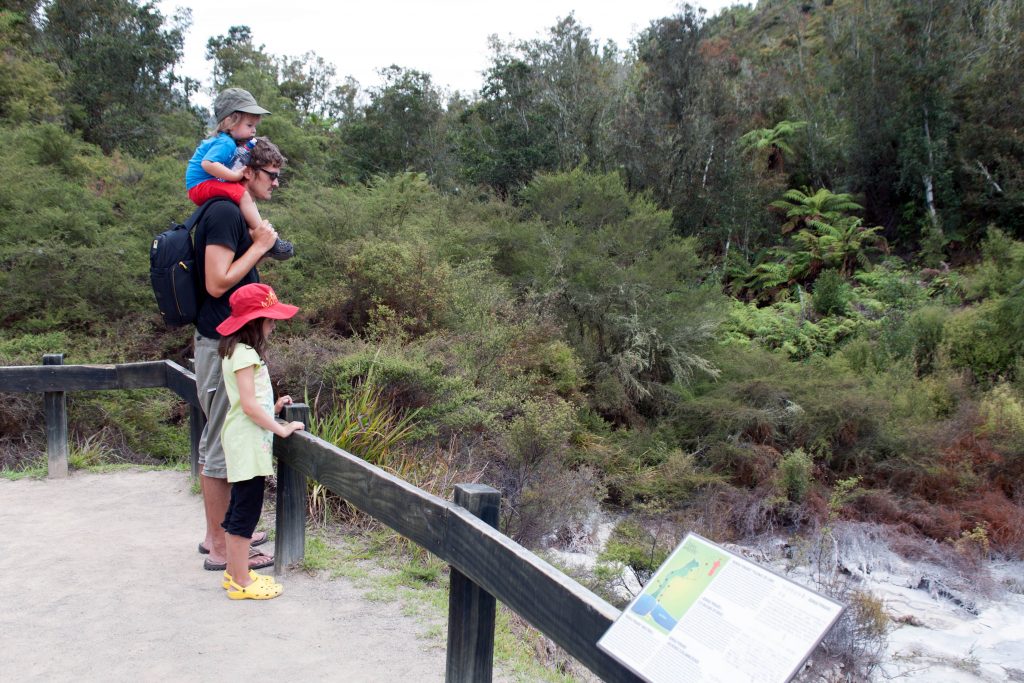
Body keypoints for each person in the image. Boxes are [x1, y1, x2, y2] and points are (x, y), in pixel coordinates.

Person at [193, 136, 286, 574]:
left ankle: (229, 533)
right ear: (246, 171)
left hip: (222, 341)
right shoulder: (226, 212)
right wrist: (260, 246)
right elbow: (216, 283)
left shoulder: (230, 210)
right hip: (218, 341)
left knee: (222, 435)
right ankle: (220, 544)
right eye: (271, 176)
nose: (275, 184)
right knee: (219, 442)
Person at [215, 283, 304, 599]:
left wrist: (275, 408)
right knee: (246, 512)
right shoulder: (245, 354)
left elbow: (247, 400)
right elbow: (250, 406)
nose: (274, 324)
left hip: (244, 438)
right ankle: (242, 581)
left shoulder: (234, 350)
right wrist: (281, 428)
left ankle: (233, 573)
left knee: (239, 506)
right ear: (255, 322)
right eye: (269, 319)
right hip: (248, 442)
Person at [185, 87, 292, 260]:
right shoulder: (225, 143)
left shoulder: (226, 143)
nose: (253, 131)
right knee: (242, 195)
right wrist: (234, 176)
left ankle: (260, 235)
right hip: (199, 184)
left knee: (242, 198)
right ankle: (270, 241)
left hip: (201, 184)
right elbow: (208, 164)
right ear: (229, 122)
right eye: (249, 125)